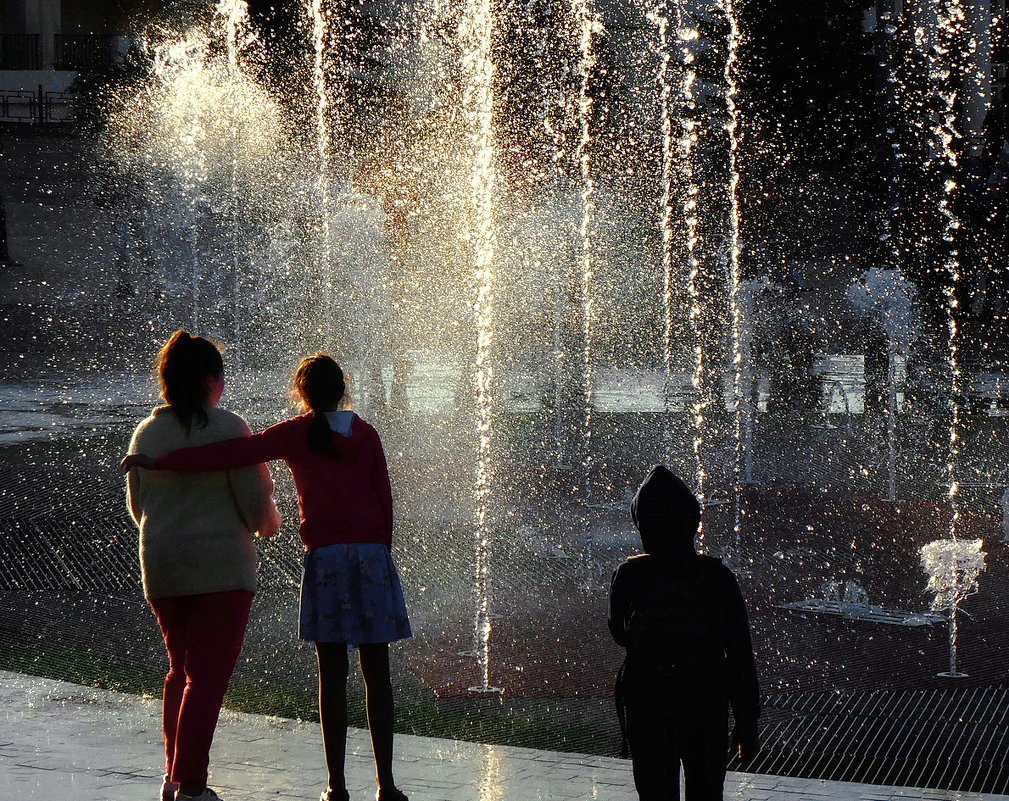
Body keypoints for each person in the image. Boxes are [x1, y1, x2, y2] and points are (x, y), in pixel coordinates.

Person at [122, 354, 411, 801]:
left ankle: (336, 787)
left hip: (327, 561)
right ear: (343, 389)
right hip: (371, 560)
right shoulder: (366, 434)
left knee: (331, 676)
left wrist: (161, 463)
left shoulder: (296, 432)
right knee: (378, 674)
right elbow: (384, 497)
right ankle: (387, 786)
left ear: (302, 394)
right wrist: (382, 556)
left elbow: (231, 453)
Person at [125, 330, 281, 801]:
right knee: (206, 678)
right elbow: (257, 505)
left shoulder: (147, 433)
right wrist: (270, 525)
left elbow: (138, 508)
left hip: (163, 567)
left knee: (180, 672)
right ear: (211, 380)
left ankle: (173, 779)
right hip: (220, 571)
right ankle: (191, 786)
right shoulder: (229, 428)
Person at [608, 465, 760, 801]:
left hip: (648, 704)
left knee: (655, 792)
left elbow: (619, 633)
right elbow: (739, 655)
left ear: (642, 522)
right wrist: (747, 723)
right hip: (705, 704)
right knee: (706, 792)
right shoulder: (718, 577)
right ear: (693, 521)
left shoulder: (630, 575)